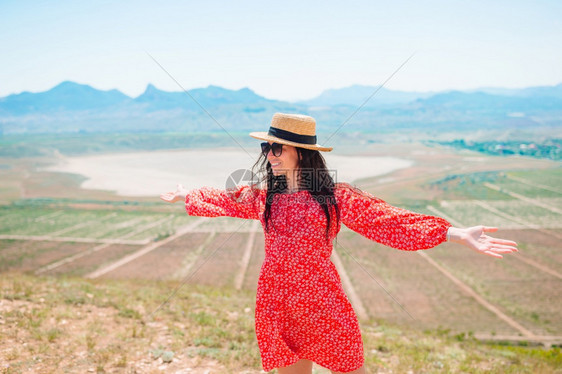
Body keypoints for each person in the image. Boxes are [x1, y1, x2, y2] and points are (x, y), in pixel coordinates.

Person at [160, 113, 518, 374]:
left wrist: (453, 233)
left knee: (349, 369)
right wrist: (187, 193)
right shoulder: (266, 196)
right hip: (278, 300)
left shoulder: (334, 197)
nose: (269, 154)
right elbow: (226, 199)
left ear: (300, 151)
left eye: (277, 147)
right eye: (266, 147)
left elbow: (388, 220)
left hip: (321, 299)